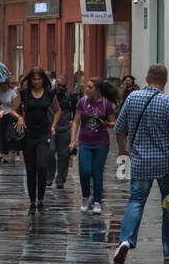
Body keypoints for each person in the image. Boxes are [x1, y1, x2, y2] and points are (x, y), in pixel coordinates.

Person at [112, 64, 169, 264]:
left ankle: (126, 240)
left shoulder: (132, 98)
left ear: (146, 79)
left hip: (140, 161)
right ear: (165, 81)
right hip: (166, 163)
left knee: (136, 201)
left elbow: (119, 129)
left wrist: (122, 151)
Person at [12, 68, 60, 212]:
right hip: (28, 134)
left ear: (43, 80)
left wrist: (53, 126)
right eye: (34, 79)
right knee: (30, 169)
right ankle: (33, 202)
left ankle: (41, 199)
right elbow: (12, 110)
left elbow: (58, 111)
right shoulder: (24, 94)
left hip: (44, 134)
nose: (37, 82)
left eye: (39, 79)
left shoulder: (49, 94)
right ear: (30, 80)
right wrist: (19, 117)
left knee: (42, 166)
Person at [70, 77, 117, 213]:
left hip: (101, 142)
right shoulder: (82, 102)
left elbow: (114, 123)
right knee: (84, 171)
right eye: (87, 87)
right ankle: (85, 197)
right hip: (85, 141)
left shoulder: (106, 104)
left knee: (97, 172)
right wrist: (73, 140)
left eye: (90, 87)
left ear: (97, 89)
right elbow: (76, 122)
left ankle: (97, 201)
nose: (86, 89)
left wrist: (107, 124)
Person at [49, 80, 73, 188]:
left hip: (65, 128)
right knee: (50, 151)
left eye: (63, 86)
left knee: (64, 155)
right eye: (58, 85)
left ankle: (61, 179)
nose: (60, 88)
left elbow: (75, 111)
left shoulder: (71, 97)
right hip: (50, 128)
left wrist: (72, 121)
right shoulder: (49, 95)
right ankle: (49, 176)